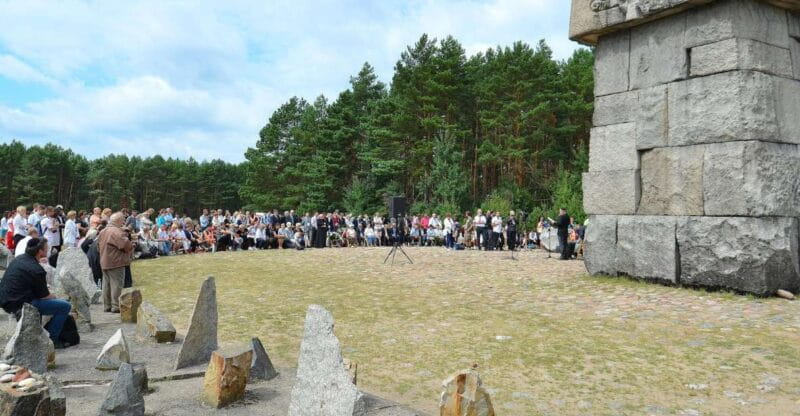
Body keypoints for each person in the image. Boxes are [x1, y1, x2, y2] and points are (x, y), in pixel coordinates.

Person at [0, 238, 73, 346]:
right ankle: (51, 340)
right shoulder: (37, 269)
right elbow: (44, 295)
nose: (48, 250)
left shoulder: (19, 259)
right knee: (65, 306)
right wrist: (56, 296)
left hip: (6, 300)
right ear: (40, 252)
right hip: (21, 304)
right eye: (46, 249)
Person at [97, 213, 134, 313]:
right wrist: (131, 243)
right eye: (122, 221)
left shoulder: (103, 231)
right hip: (116, 261)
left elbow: (97, 246)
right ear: (119, 221)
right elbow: (126, 245)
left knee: (106, 284)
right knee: (116, 284)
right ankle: (115, 306)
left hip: (104, 260)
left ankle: (107, 305)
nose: (123, 223)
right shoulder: (116, 232)